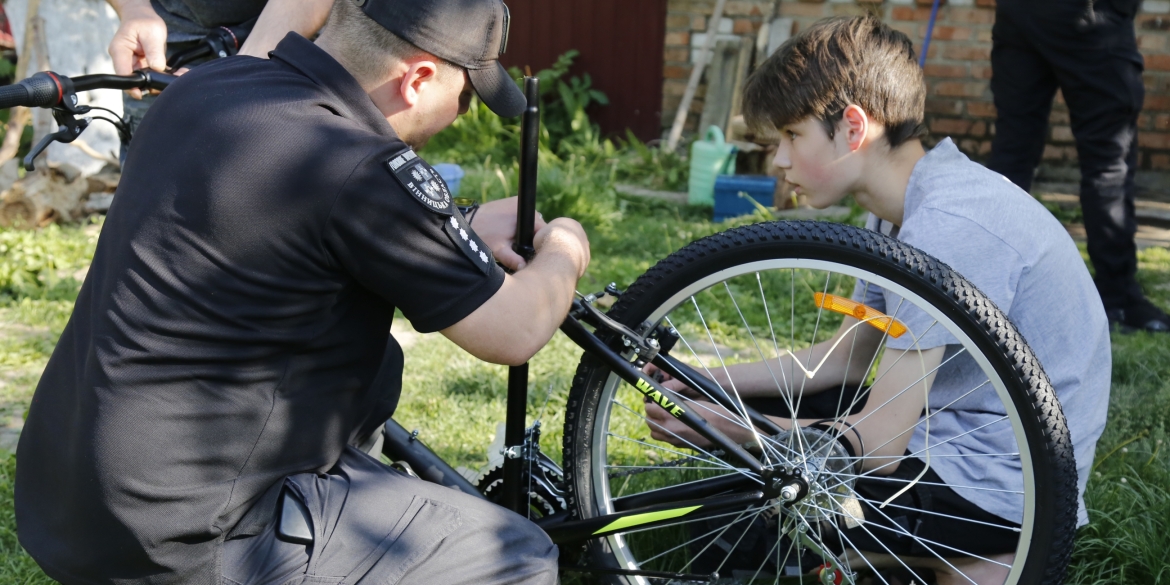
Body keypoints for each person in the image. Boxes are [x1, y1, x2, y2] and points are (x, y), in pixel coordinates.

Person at [15, 0, 590, 583]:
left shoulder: (207, 89)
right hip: (188, 537)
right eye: (465, 96)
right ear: (416, 80)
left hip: (70, 500)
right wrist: (566, 244)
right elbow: (514, 329)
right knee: (515, 553)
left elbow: (296, 224)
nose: (462, 114)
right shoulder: (357, 165)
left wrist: (451, 224)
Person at [642, 15, 1109, 585]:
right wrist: (712, 381)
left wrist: (739, 429)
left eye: (791, 136)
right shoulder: (906, 211)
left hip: (1004, 485)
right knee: (744, 482)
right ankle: (928, 562)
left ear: (853, 128)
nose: (779, 161)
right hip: (959, 442)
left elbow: (882, 443)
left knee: (734, 517)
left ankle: (936, 558)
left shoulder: (948, 228)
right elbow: (848, 357)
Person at [987, 0, 1168, 333]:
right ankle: (1118, 299)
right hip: (1088, 14)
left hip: (1018, 12)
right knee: (1108, 160)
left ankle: (982, 282)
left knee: (1013, 150)